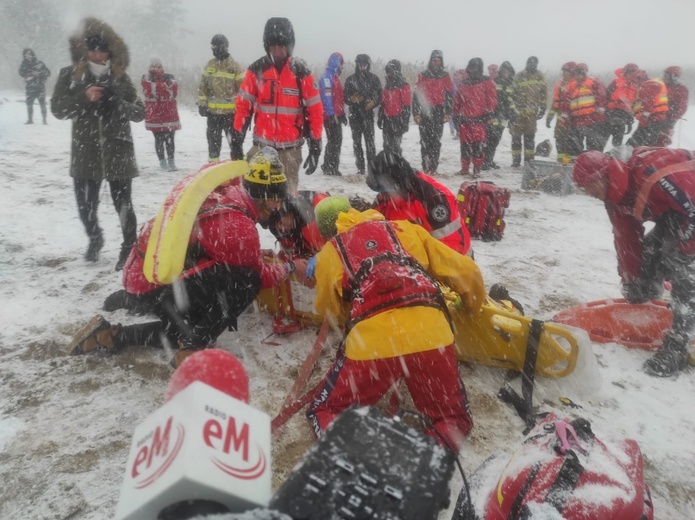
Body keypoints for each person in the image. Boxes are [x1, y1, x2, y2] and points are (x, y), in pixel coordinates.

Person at [70, 148, 309, 368]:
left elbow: (213, 247)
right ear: (263, 196)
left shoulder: (228, 191)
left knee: (191, 313)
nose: (278, 206)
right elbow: (262, 276)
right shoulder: (239, 226)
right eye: (276, 198)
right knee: (246, 281)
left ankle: (123, 313)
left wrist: (251, 254)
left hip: (145, 270)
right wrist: (291, 266)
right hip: (156, 281)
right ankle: (191, 345)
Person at [306, 196, 486, 451]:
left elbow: (328, 308)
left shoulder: (330, 251)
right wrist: (472, 305)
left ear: (326, 232)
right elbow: (465, 270)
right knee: (451, 419)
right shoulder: (405, 229)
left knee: (326, 410)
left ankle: (349, 461)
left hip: (372, 345)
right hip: (430, 335)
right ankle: (430, 462)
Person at [572, 147, 695, 377]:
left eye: (589, 184)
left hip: (691, 207)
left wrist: (685, 249)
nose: (587, 192)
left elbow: (693, 208)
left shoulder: (654, 173)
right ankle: (648, 295)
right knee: (650, 252)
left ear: (604, 174)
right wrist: (632, 281)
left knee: (684, 269)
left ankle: (677, 347)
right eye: (582, 188)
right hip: (678, 213)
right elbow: (626, 237)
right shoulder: (615, 194)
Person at [51, 17, 144, 271]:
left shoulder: (120, 77)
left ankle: (128, 248)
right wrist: (84, 97)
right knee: (85, 207)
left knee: (124, 206)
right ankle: (94, 237)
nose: (97, 54)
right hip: (86, 152)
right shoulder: (70, 75)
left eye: (102, 49)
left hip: (119, 151)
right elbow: (58, 109)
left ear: (110, 51)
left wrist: (119, 104)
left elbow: (140, 112)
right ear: (85, 50)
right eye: (92, 48)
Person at [233, 17, 324, 192]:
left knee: (287, 198)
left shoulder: (301, 71)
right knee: (255, 196)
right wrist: (237, 139)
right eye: (273, 46)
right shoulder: (256, 70)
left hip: (290, 151)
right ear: (267, 46)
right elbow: (243, 107)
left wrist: (316, 145)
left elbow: (315, 111)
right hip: (261, 148)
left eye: (282, 46)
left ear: (289, 46)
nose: (277, 51)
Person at [367, 151, 472, 256]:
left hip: (453, 263)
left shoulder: (433, 200)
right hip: (406, 258)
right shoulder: (386, 199)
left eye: (385, 190)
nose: (382, 195)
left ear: (398, 186)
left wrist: (413, 261)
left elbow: (453, 249)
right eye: (380, 190)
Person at [197, 34, 243, 163]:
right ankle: (212, 168)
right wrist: (202, 104)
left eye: (219, 46)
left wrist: (242, 110)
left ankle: (239, 172)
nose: (216, 49)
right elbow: (203, 87)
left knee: (236, 145)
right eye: (213, 46)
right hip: (213, 115)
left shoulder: (235, 66)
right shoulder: (209, 65)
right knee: (213, 145)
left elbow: (242, 90)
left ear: (226, 47)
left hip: (231, 115)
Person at [453, 58, 497, 178]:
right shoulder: (464, 83)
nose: (474, 70)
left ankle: (477, 170)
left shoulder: (487, 82)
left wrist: (490, 114)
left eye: (476, 68)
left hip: (480, 120)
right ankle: (465, 168)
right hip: (465, 120)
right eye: (472, 67)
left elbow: (491, 99)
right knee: (465, 146)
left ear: (480, 68)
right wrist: (456, 114)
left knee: (478, 146)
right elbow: (457, 101)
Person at [413, 50, 453, 174]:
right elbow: (417, 95)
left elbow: (449, 95)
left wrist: (448, 112)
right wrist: (415, 112)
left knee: (436, 140)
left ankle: (434, 167)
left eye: (438, 60)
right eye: (434, 60)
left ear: (441, 61)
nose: (436, 62)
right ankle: (425, 166)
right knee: (425, 141)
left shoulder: (445, 76)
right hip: (425, 110)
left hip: (438, 111)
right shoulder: (423, 75)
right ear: (431, 61)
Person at [344, 54, 382, 175]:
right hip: (355, 116)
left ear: (368, 65)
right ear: (357, 65)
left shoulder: (374, 78)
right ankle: (360, 168)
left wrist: (373, 102)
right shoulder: (350, 79)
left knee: (370, 143)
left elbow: (380, 95)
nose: (362, 67)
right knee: (357, 144)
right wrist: (352, 99)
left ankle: (372, 168)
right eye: (360, 64)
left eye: (364, 64)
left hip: (368, 116)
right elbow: (345, 97)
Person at [142, 57, 181, 171]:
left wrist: (160, 87)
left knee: (170, 139)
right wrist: (164, 86)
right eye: (154, 66)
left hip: (169, 114)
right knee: (158, 140)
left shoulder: (169, 77)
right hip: (155, 115)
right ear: (150, 68)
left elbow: (173, 93)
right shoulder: (146, 78)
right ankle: (162, 162)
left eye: (158, 67)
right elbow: (153, 92)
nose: (156, 69)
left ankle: (171, 161)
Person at [561, 63, 608, 154]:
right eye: (576, 74)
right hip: (577, 120)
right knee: (574, 144)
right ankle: (576, 162)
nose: (577, 76)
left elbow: (601, 96)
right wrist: (564, 118)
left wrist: (600, 113)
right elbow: (566, 103)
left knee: (593, 145)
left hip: (592, 119)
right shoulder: (571, 87)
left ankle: (593, 163)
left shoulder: (593, 82)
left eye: (579, 74)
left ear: (584, 73)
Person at [267, 190, 328, 259]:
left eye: (281, 223)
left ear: (288, 212)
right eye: (279, 229)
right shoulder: (282, 231)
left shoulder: (313, 215)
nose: (282, 229)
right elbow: (289, 254)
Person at [510, 56, 547, 167]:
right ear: (526, 63)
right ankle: (516, 161)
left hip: (531, 115)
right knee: (516, 138)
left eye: (534, 63)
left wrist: (543, 107)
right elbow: (512, 93)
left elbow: (543, 93)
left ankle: (529, 162)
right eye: (530, 62)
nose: (532, 65)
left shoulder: (539, 76)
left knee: (529, 138)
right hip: (518, 114)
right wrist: (511, 110)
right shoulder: (519, 76)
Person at [484, 61, 517, 170]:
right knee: (489, 139)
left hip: (503, 116)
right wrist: (493, 109)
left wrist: (512, 113)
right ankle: (485, 161)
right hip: (493, 115)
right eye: (504, 71)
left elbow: (511, 99)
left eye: (507, 71)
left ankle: (489, 160)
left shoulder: (511, 84)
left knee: (496, 140)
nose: (505, 73)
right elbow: (491, 97)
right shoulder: (494, 81)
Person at [319, 52, 347, 176]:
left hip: (336, 115)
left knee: (335, 140)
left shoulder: (335, 78)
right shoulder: (327, 78)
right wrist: (331, 115)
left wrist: (342, 114)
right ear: (336, 63)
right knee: (334, 140)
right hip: (330, 116)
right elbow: (327, 97)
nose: (342, 67)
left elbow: (339, 99)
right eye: (341, 64)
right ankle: (330, 167)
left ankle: (330, 165)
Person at [378, 59, 411, 156]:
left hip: (398, 119)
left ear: (396, 71)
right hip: (387, 119)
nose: (388, 73)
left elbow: (406, 105)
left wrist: (405, 121)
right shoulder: (387, 85)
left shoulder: (404, 86)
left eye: (391, 70)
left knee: (396, 146)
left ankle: (396, 166)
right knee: (387, 145)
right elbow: (383, 104)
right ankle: (388, 166)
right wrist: (380, 117)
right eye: (387, 71)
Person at [627, 72, 670, 147]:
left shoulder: (649, 85)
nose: (634, 84)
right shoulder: (654, 83)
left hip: (651, 118)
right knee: (649, 142)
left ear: (639, 78)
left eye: (634, 82)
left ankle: (625, 155)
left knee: (636, 142)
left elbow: (648, 101)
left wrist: (644, 116)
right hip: (658, 118)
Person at [546, 62, 576, 164]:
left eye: (566, 71)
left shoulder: (576, 84)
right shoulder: (560, 84)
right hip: (561, 118)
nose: (564, 73)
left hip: (572, 119)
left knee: (569, 141)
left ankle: (567, 163)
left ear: (571, 72)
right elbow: (556, 102)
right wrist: (549, 116)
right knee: (559, 139)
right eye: (563, 71)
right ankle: (560, 162)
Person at [605, 63, 639, 147]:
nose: (631, 75)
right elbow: (606, 95)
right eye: (629, 72)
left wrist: (630, 121)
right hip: (612, 112)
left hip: (625, 114)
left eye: (633, 73)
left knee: (618, 139)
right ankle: (599, 154)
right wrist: (604, 111)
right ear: (625, 72)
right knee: (603, 137)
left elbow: (635, 104)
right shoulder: (616, 82)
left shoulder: (636, 86)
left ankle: (616, 155)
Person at [656, 66, 689, 147]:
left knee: (662, 139)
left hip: (668, 119)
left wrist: (672, 117)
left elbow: (682, 106)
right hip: (655, 117)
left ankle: (658, 154)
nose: (664, 77)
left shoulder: (681, 89)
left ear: (674, 77)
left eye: (667, 75)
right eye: (664, 75)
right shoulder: (659, 85)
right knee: (647, 138)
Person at [18, 48, 50, 125]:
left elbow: (48, 73)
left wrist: (39, 73)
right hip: (30, 87)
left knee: (42, 104)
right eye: (26, 55)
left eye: (29, 54)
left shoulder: (40, 63)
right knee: (29, 104)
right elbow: (21, 72)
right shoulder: (24, 64)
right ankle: (30, 120)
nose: (28, 56)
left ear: (33, 54)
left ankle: (44, 120)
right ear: (24, 56)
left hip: (40, 87)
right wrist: (30, 74)